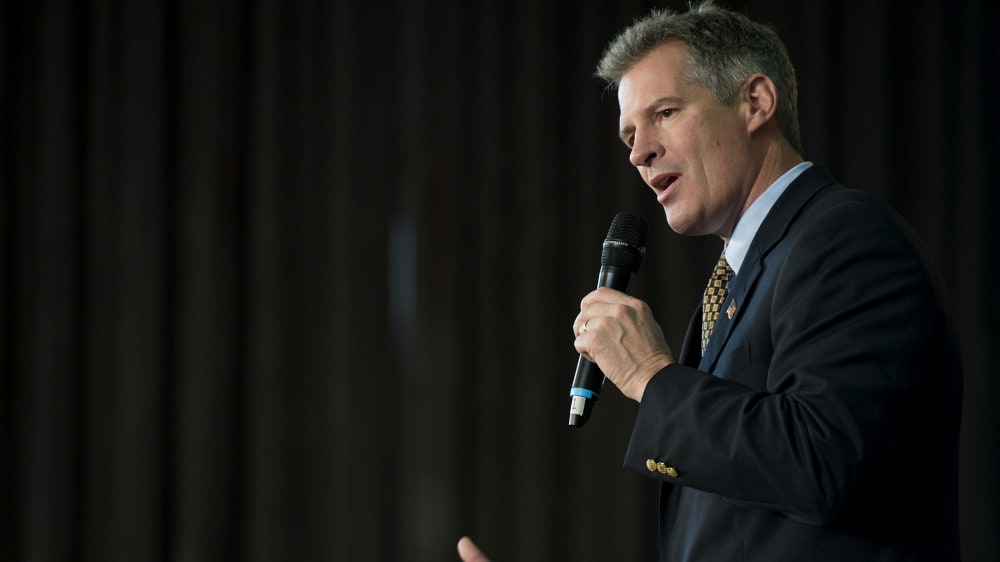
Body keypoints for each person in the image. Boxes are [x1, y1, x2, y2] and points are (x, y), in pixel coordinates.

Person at [459, 1, 963, 560]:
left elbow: (822, 461)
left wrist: (651, 376)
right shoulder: (743, 275)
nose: (639, 152)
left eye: (665, 112)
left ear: (755, 102)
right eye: (629, 134)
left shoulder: (845, 237)